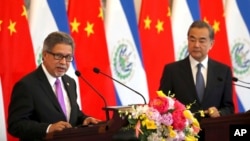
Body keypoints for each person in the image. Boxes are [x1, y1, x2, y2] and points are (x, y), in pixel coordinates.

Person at [8, 31, 101, 141]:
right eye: (58, 56)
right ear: (45, 54)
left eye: (68, 57)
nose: (63, 62)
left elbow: (71, 114)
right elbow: (15, 125)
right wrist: (48, 128)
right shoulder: (27, 85)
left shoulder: (70, 82)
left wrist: (85, 119)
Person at [159, 20, 235, 139]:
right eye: (192, 39)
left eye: (202, 40)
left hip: (214, 134)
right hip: (181, 136)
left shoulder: (223, 71)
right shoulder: (172, 71)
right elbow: (162, 106)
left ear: (211, 44)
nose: (196, 45)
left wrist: (219, 113)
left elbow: (229, 108)